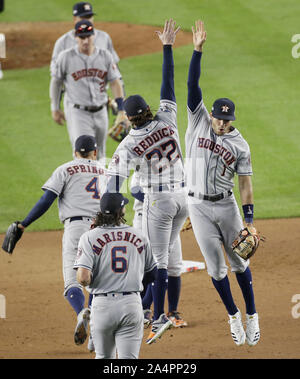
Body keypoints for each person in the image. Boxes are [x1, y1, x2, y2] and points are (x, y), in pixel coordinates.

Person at [106, 19, 188, 345]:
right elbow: (168, 82)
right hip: (185, 198)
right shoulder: (167, 116)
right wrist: (167, 46)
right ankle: (156, 312)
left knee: (155, 263)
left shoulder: (127, 145)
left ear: (129, 118)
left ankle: (155, 318)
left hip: (159, 203)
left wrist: (111, 216)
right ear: (149, 110)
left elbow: (113, 183)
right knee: (165, 257)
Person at [185, 20, 260, 346]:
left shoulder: (240, 145)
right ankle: (232, 316)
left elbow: (245, 185)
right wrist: (197, 50)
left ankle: (252, 315)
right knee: (215, 269)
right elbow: (191, 85)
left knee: (240, 261)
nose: (220, 122)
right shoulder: (198, 118)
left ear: (232, 121)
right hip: (197, 206)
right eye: (217, 116)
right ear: (211, 113)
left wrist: (250, 220)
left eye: (226, 120)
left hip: (226, 205)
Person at [14, 135, 108, 346]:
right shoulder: (105, 169)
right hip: (101, 230)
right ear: (95, 152)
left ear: (75, 152)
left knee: (72, 283)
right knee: (99, 283)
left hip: (76, 229)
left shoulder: (66, 168)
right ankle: (95, 333)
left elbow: (46, 200)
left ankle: (81, 312)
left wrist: (24, 224)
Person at [74, 192, 157, 359]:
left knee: (104, 357)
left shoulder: (89, 237)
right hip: (131, 304)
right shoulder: (140, 236)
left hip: (102, 305)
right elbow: (152, 274)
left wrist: (96, 279)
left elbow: (83, 278)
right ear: (122, 211)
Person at [50, 19, 126, 162]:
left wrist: (121, 109)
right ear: (76, 37)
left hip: (102, 111)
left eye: (88, 36)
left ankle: (100, 184)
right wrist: (55, 107)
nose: (85, 41)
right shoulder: (65, 57)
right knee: (83, 153)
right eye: (81, 37)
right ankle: (82, 183)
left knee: (100, 154)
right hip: (78, 112)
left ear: (94, 36)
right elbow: (56, 82)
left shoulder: (105, 56)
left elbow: (115, 82)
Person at [130, 172, 188, 328]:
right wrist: (159, 204)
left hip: (169, 218)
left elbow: (185, 189)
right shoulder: (143, 166)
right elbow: (135, 189)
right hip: (145, 219)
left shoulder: (175, 167)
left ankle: (172, 312)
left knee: (174, 266)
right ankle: (143, 309)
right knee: (147, 267)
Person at [50, 2, 122, 115]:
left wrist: (121, 104)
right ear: (75, 19)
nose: (87, 20)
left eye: (89, 17)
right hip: (74, 101)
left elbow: (115, 72)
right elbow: (56, 76)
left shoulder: (104, 38)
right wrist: (56, 105)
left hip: (102, 99)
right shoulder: (62, 43)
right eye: (83, 17)